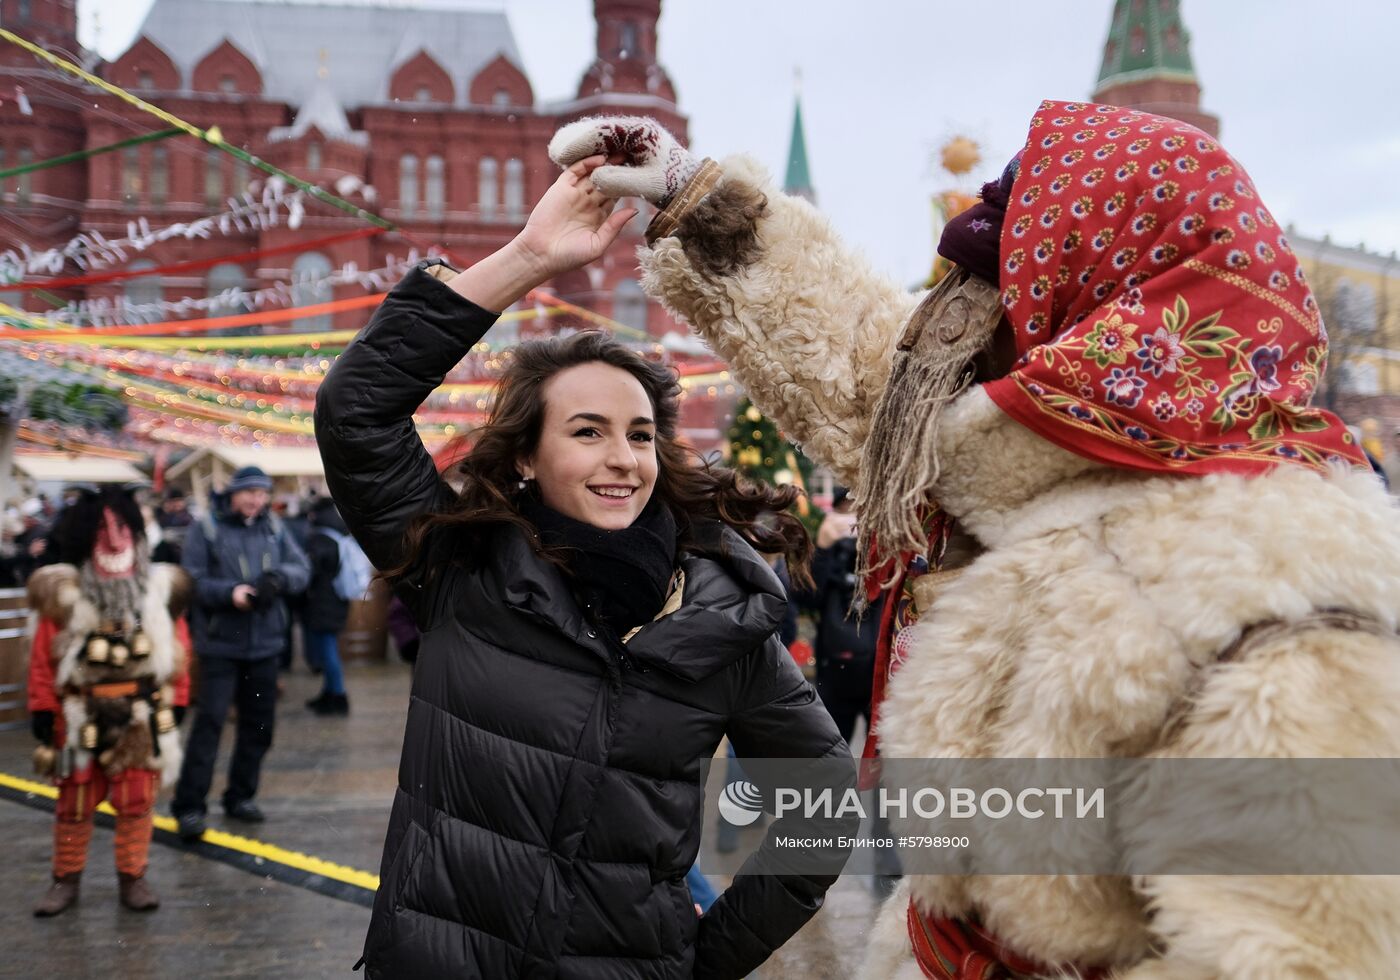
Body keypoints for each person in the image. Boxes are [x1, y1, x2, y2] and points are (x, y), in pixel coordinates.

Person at [549, 105, 1400, 976]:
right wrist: (705, 205)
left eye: (989, 295)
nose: (951, 331)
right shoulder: (1043, 477)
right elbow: (877, 384)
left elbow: (1309, 952)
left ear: (1090, 308)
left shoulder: (1286, 595)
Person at [316, 155, 855, 978]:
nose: (622, 460)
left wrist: (705, 960)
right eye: (588, 431)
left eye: (640, 435)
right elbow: (357, 412)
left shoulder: (720, 612)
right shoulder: (461, 568)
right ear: (528, 457)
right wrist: (528, 259)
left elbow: (824, 804)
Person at [24, 484, 190, 915]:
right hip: (76, 717)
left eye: (121, 527)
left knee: (137, 802)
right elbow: (43, 657)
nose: (113, 540)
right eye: (101, 529)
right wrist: (42, 706)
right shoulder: (62, 595)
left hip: (140, 716)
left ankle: (133, 879)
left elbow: (176, 654)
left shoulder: (158, 592)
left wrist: (179, 701)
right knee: (73, 803)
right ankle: (65, 882)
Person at [171, 465, 309, 839]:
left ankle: (241, 796)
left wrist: (278, 579)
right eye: (249, 492)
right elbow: (191, 581)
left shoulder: (274, 528)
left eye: (262, 493)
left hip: (265, 646)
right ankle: (189, 806)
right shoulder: (207, 529)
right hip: (220, 646)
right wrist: (229, 593)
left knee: (259, 725)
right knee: (210, 725)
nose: (255, 500)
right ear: (232, 494)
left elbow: (302, 568)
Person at [302, 496, 359, 715]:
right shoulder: (339, 533)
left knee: (327, 650)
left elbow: (313, 569)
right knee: (328, 647)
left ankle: (338, 695)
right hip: (337, 599)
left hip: (322, 603)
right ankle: (328, 692)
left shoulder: (320, 538)